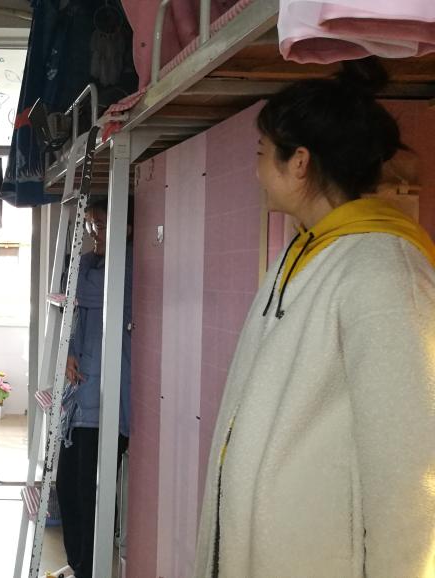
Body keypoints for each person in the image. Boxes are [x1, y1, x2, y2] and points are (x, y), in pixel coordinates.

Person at [193, 58, 435, 577]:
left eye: (262, 152)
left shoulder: (383, 271)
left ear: (299, 161)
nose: (257, 169)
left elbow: (412, 466)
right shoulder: (305, 251)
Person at [51, 198, 133, 578]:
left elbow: (92, 294)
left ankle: (89, 568)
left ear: (126, 227)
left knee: (92, 492)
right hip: (78, 401)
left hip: (107, 402)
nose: (94, 233)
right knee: (68, 486)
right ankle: (77, 564)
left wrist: (74, 282)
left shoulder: (128, 266)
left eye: (101, 224)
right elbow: (72, 312)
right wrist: (68, 349)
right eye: (90, 225)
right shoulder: (87, 264)